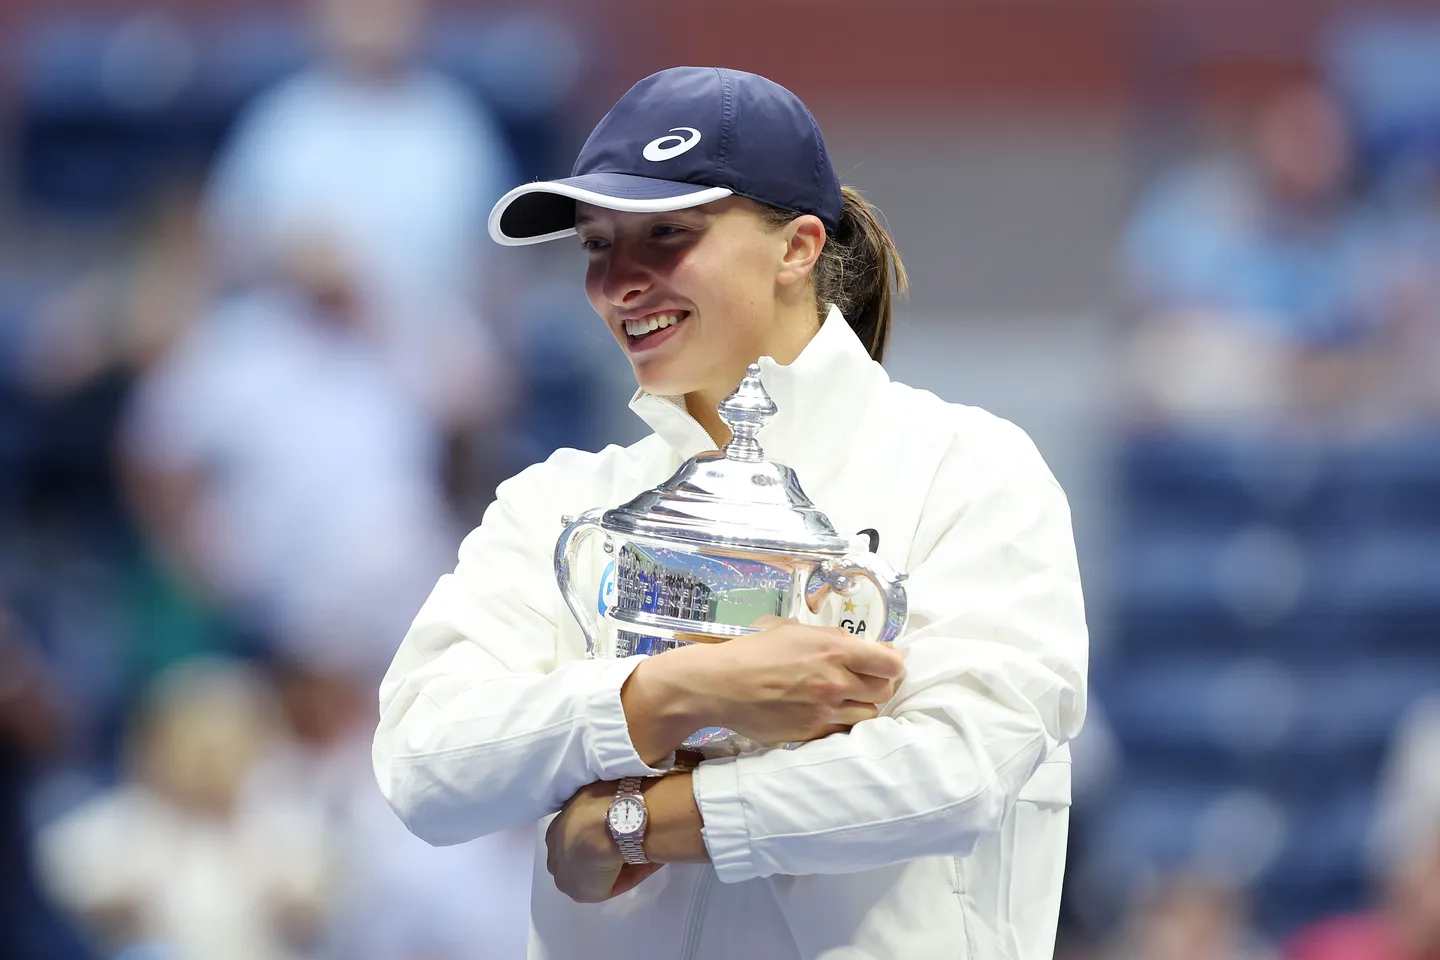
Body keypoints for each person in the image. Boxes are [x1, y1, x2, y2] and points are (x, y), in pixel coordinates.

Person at [373, 66, 1088, 960]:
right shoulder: (558, 503)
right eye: (596, 245)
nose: (619, 282)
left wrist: (633, 824)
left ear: (798, 248)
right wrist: (679, 692)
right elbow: (425, 763)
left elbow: (955, 772)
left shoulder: (967, 470)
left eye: (667, 233)